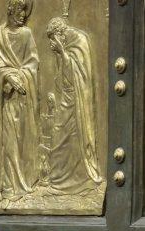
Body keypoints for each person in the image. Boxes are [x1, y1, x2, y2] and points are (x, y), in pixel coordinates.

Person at [0, 0, 40, 207]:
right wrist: (7, 77)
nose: (24, 15)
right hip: (6, 99)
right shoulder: (0, 34)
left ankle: (21, 183)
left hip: (23, 98)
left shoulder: (27, 34)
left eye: (26, 12)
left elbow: (33, 63)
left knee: (20, 141)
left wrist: (20, 76)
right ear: (11, 10)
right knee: (7, 141)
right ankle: (5, 186)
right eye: (20, 11)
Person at [46, 17, 102, 194]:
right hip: (66, 100)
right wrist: (61, 53)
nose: (52, 43)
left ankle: (78, 181)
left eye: (53, 38)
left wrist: (62, 52)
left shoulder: (79, 41)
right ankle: (58, 179)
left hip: (77, 101)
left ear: (61, 33)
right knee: (58, 136)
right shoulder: (64, 44)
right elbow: (61, 79)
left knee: (72, 138)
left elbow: (79, 75)